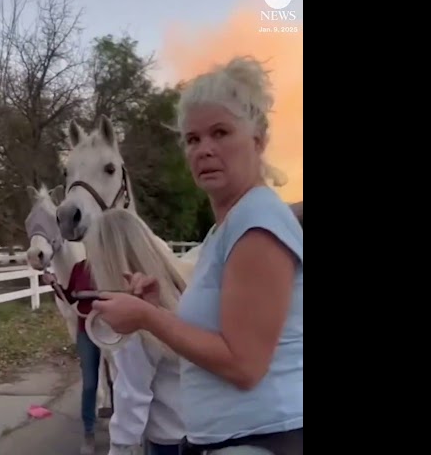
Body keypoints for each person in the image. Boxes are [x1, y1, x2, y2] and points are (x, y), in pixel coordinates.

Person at [91, 56, 303, 454]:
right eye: (193, 139)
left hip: (262, 439)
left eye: (220, 132)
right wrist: (159, 312)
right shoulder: (225, 230)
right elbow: (217, 338)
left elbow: (244, 365)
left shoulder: (257, 224)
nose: (204, 149)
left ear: (258, 140)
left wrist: (146, 317)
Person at [83, 209, 190, 455]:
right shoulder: (181, 293)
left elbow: (132, 393)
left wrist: (119, 447)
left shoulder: (134, 314)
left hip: (169, 441)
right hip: (200, 430)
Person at [42, 262, 102, 455]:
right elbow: (69, 297)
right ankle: (89, 433)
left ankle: (125, 431)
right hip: (86, 331)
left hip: (112, 329)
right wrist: (54, 284)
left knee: (120, 380)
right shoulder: (80, 268)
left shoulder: (111, 261)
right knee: (90, 383)